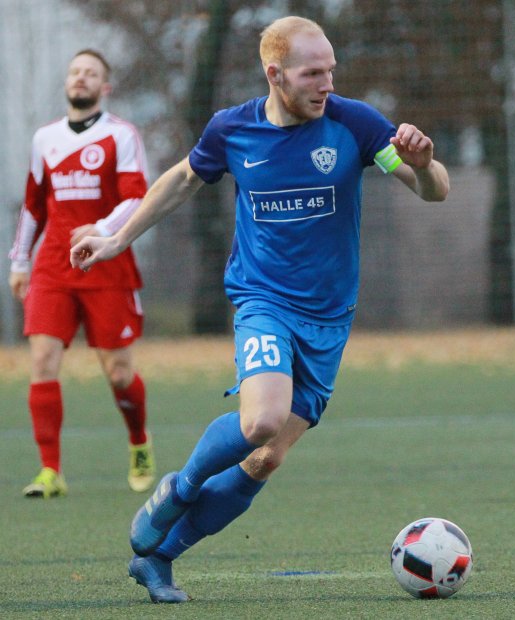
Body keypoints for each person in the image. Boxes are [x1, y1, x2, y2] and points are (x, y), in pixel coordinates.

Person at [71, 17, 449, 604]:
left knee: (266, 459)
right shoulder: (234, 130)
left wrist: (422, 164)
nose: (327, 83)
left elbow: (435, 191)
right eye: (312, 73)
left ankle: (159, 559)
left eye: (331, 70)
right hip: (262, 301)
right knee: (261, 423)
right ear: (276, 75)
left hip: (328, 321)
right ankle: (181, 484)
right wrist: (119, 237)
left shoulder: (356, 124)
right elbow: (180, 181)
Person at [9, 49, 156, 498]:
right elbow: (34, 204)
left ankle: (138, 441)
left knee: (117, 373)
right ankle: (50, 471)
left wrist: (104, 231)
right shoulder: (45, 139)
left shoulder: (121, 135)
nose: (81, 78)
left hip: (106, 262)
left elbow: (137, 197)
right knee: (41, 361)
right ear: (67, 81)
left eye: (91, 73)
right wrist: (19, 261)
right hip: (54, 265)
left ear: (104, 87)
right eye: (75, 71)